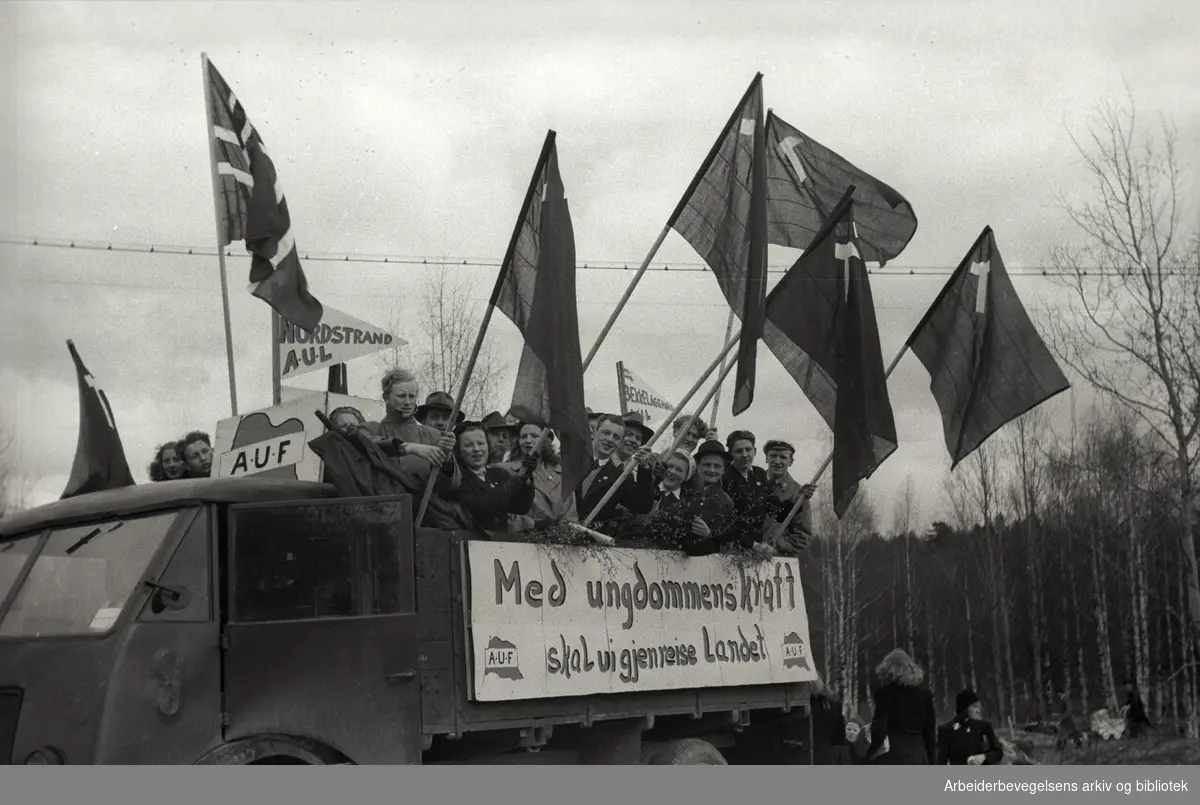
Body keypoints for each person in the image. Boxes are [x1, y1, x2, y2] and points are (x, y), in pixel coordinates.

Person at [574, 414, 656, 534]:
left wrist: (644, 468)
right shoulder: (571, 459)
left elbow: (642, 505)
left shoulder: (620, 477)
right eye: (606, 433)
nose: (610, 439)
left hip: (588, 542)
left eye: (616, 437)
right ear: (593, 433)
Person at [451, 421, 536, 536]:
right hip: (469, 545)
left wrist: (527, 478)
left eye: (481, 443)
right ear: (459, 450)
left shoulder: (500, 474)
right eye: (468, 445)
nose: (476, 449)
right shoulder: (455, 477)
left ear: (488, 446)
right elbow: (476, 506)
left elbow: (521, 507)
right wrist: (510, 487)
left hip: (500, 544)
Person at [867, 649, 938, 764]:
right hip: (919, 753)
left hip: (894, 754)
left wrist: (870, 754)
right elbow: (930, 732)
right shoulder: (925, 694)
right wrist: (932, 760)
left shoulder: (885, 694)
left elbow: (879, 730)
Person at [505, 422, 569, 527]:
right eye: (523, 436)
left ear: (546, 441)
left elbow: (570, 518)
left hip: (556, 540)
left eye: (534, 436)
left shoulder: (563, 475)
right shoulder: (504, 470)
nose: (528, 440)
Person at [761, 440, 817, 554]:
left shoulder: (798, 493)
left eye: (783, 457)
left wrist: (777, 545)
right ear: (766, 458)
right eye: (773, 456)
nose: (777, 461)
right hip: (744, 556)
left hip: (777, 560)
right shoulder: (753, 482)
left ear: (790, 461)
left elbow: (802, 536)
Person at [722, 430, 772, 546]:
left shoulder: (760, 474)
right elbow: (725, 524)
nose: (744, 455)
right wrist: (752, 545)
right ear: (731, 454)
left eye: (748, 450)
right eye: (739, 451)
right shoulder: (724, 479)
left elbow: (770, 506)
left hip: (761, 544)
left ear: (754, 451)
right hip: (735, 547)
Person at [936, 689, 1004, 765]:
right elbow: (941, 761)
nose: (978, 710)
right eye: (975, 707)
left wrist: (984, 757)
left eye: (979, 707)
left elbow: (998, 752)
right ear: (964, 708)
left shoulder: (984, 727)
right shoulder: (946, 730)